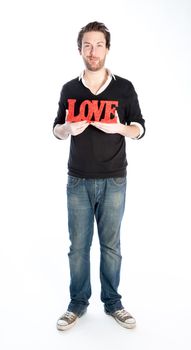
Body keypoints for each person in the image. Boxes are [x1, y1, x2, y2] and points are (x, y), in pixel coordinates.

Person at [53, 21, 145, 331]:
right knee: (78, 247)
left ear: (107, 48)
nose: (93, 51)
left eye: (99, 45)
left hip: (114, 180)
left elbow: (140, 128)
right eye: (87, 45)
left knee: (111, 246)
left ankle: (113, 303)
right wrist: (66, 129)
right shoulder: (69, 89)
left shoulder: (124, 88)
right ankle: (77, 303)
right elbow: (55, 128)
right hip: (78, 180)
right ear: (79, 49)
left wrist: (119, 127)